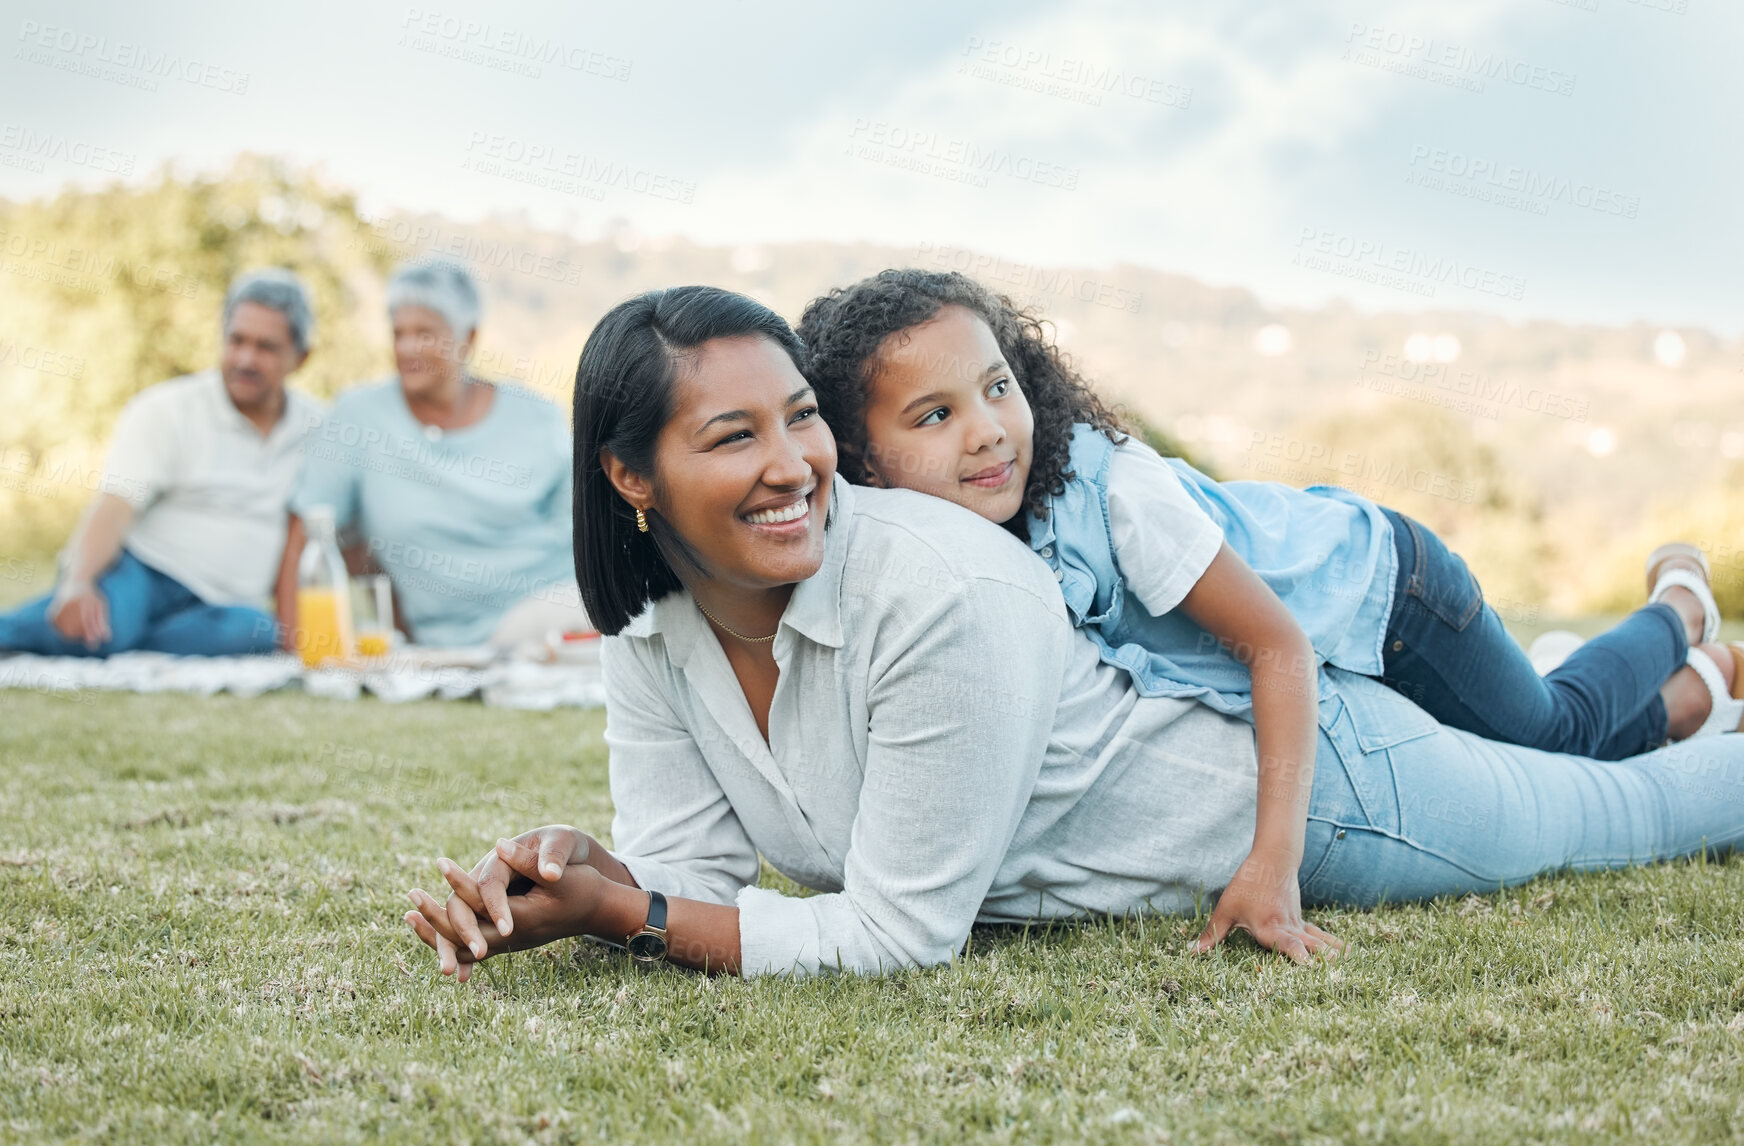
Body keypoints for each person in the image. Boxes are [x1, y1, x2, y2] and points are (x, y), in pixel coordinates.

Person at [403, 286, 1744, 982]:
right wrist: (578, 874)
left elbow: (894, 936)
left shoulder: (935, 589)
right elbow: (695, 873)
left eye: (800, 416)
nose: (794, 462)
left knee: (1623, 808)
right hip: (1279, 739)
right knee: (1587, 753)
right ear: (630, 477)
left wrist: (627, 915)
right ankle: (1693, 671)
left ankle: (1691, 663)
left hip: (1331, 790)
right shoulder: (649, 635)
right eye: (731, 434)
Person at [795, 269, 1744, 757]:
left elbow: (1277, 648)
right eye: (937, 414)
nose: (991, 432)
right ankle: (1696, 686)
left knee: (1553, 740)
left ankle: (1679, 614)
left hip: (1392, 596)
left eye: (999, 387)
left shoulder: (1112, 494)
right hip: (1339, 624)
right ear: (859, 454)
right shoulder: (952, 543)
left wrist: (1269, 867)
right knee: (1511, 734)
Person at [0, 268, 323, 657]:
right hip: (145, 573)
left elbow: (314, 530)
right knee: (103, 627)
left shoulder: (319, 429)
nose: (244, 358)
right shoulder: (168, 409)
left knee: (253, 634)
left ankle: (127, 642)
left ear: (300, 358)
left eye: (265, 347)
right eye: (236, 341)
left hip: (225, 605)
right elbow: (115, 505)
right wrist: (78, 583)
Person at [278, 258, 585, 650]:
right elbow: (305, 532)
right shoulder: (358, 419)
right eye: (398, 333)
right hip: (469, 638)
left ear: (468, 339)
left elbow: (585, 530)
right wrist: (289, 654)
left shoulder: (535, 416)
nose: (407, 348)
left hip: (562, 598)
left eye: (425, 333)